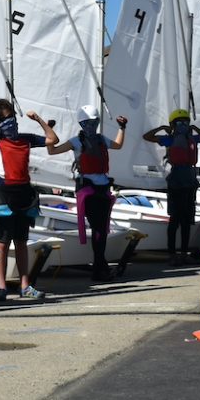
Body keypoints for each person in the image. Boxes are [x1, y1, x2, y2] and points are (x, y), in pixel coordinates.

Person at [0, 98, 59, 302]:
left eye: (13, 118)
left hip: (24, 195)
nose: (12, 122)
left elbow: (53, 140)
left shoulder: (25, 138)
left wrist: (39, 120)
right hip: (3, 196)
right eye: (6, 119)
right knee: (3, 244)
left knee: (22, 242)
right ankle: (1, 287)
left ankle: (25, 286)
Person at [49, 105, 127, 281]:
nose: (90, 127)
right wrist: (50, 131)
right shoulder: (76, 142)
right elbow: (52, 150)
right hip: (88, 189)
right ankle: (100, 269)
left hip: (104, 189)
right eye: (87, 123)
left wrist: (122, 128)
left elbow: (119, 145)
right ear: (81, 124)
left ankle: (100, 268)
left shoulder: (102, 140)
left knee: (101, 229)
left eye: (93, 123)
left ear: (98, 122)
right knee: (99, 228)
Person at [143, 109, 200, 265]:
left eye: (185, 122)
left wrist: (194, 128)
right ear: (173, 125)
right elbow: (147, 137)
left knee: (187, 220)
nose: (183, 125)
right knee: (175, 219)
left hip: (190, 180)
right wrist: (162, 127)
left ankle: (183, 253)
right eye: (179, 123)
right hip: (176, 181)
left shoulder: (193, 138)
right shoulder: (169, 139)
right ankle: (172, 254)